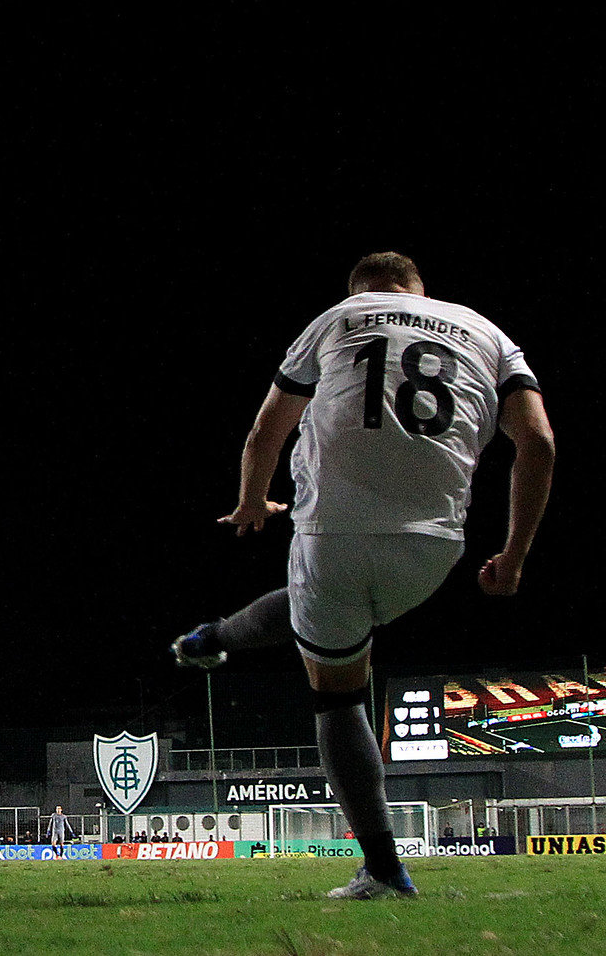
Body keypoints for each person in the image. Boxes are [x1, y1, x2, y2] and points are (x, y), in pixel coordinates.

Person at [171, 252, 554, 901]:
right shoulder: (485, 330)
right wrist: (514, 555)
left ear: (360, 289)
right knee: (323, 613)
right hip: (434, 550)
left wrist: (249, 501)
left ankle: (382, 869)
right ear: (419, 290)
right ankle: (217, 635)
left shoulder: (338, 318)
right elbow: (537, 442)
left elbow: (268, 427)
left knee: (339, 692)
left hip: (335, 537)